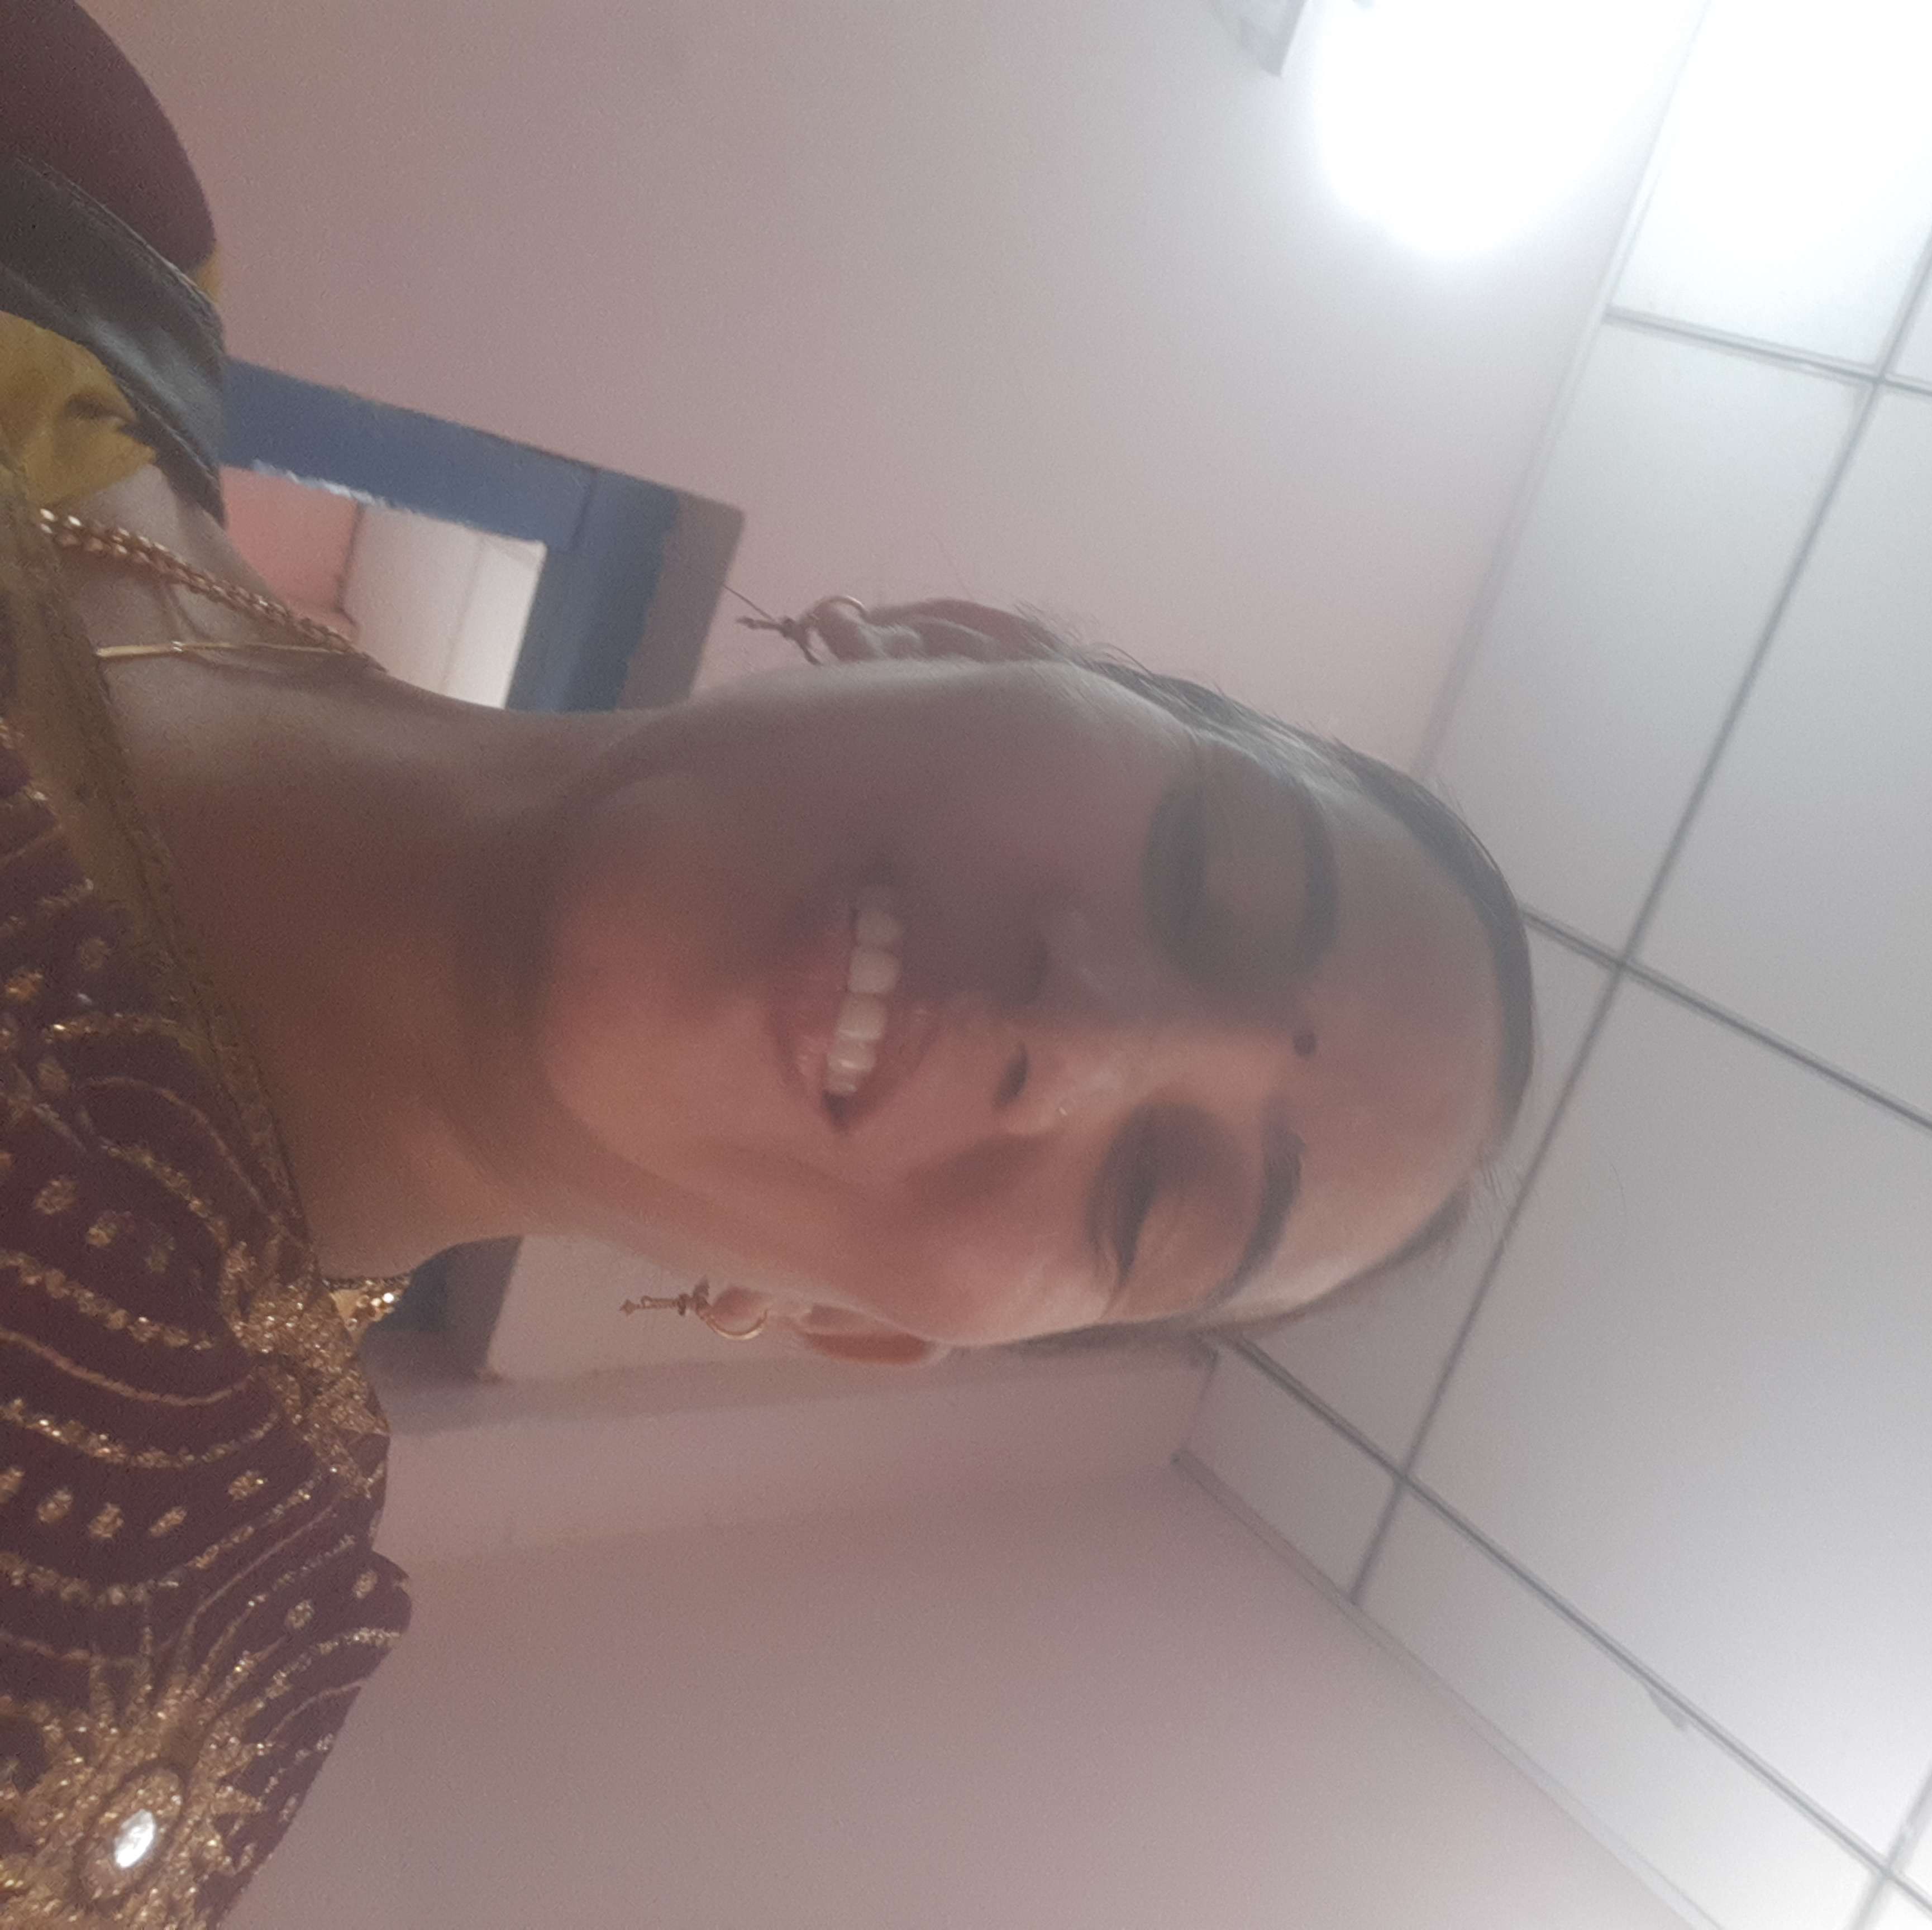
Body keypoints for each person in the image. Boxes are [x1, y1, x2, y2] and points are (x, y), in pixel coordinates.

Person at [0, 2, 1533, 1920]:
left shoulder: (134, 1676)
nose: (1074, 1038)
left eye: (1151, 1195)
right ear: (956, 636)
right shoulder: (76, 213)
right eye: (1202, 865)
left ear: (866, 1331)